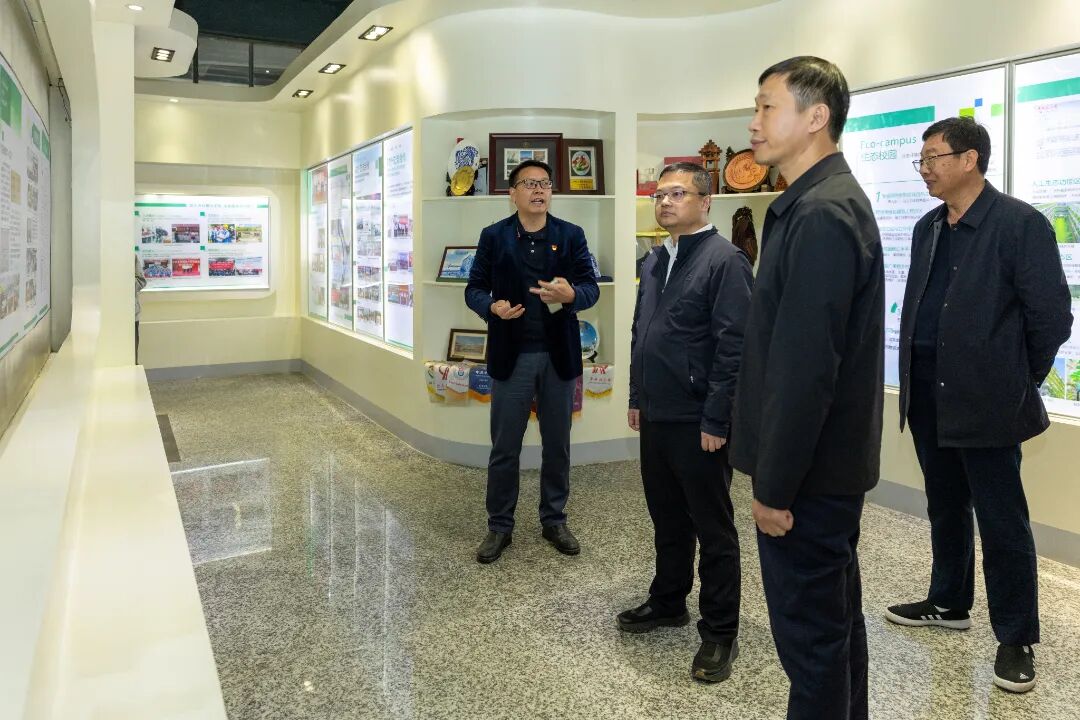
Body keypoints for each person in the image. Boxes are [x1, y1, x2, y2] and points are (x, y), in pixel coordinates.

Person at [886, 116, 1072, 693]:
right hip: (928, 394)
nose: (924, 169)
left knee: (1001, 520)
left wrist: (1016, 378)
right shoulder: (927, 227)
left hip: (988, 400)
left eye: (933, 158)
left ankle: (1015, 639)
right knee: (944, 505)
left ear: (969, 160)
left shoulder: (1019, 224)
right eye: (920, 160)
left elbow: (1052, 318)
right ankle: (949, 602)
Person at [729, 56, 884, 720]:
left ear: (816, 116)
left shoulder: (822, 212)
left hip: (808, 480)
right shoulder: (812, 203)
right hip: (823, 472)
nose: (753, 122)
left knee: (813, 646)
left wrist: (775, 487)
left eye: (767, 107)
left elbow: (805, 370)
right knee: (834, 628)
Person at [621, 162, 752, 683]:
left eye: (678, 193)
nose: (666, 202)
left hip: (700, 420)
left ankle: (720, 631)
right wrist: (636, 396)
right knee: (667, 518)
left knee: (712, 527)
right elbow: (641, 331)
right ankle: (668, 600)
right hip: (657, 414)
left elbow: (734, 348)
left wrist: (717, 418)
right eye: (660, 195)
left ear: (705, 201)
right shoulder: (656, 258)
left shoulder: (726, 260)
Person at [465, 159, 599, 564]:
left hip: (559, 357)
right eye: (529, 184)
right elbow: (474, 289)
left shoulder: (571, 235)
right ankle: (499, 526)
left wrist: (572, 296)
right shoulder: (494, 236)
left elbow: (591, 288)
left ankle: (554, 520)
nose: (539, 190)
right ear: (513, 194)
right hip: (513, 356)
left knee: (557, 445)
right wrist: (492, 307)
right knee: (505, 447)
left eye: (544, 183)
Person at [135, 255, 147, 363]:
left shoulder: (131, 257)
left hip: (131, 316)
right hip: (108, 316)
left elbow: (141, 281)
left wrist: (123, 282)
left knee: (132, 354)